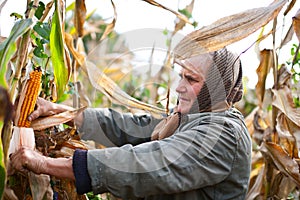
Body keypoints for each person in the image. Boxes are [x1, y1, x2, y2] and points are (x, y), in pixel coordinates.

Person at [9, 47, 252, 200]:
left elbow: (148, 165)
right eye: (180, 76)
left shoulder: (222, 134)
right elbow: (131, 127)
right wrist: (63, 112)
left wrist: (44, 163)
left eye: (191, 79)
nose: (179, 87)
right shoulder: (188, 117)